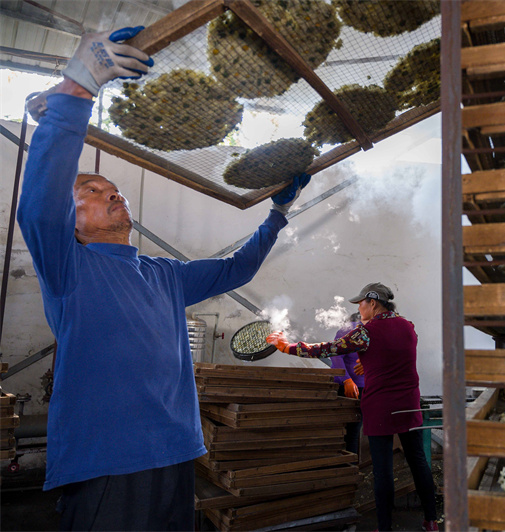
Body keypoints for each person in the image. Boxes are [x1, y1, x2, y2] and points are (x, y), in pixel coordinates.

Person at [16, 27, 310, 531]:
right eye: (90, 189)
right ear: (71, 222)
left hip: (176, 452)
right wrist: (77, 89)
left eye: (114, 189)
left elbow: (235, 269)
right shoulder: (69, 269)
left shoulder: (164, 275)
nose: (112, 194)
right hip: (109, 462)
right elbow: (40, 203)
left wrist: (278, 214)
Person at [267, 283, 438, 532]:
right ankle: (431, 520)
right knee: (418, 462)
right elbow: (395, 355)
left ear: (373, 303)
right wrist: (369, 363)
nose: (359, 308)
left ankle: (385, 527)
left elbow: (327, 349)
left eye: (361, 303)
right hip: (409, 404)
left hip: (382, 407)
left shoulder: (366, 333)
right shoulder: (407, 326)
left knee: (383, 470)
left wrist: (288, 347)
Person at [332, 312, 365, 456]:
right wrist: (346, 380)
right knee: (351, 430)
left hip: (356, 386)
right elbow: (337, 356)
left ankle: (348, 466)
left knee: (350, 431)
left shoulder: (353, 329)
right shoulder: (352, 329)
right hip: (349, 387)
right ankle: (348, 466)